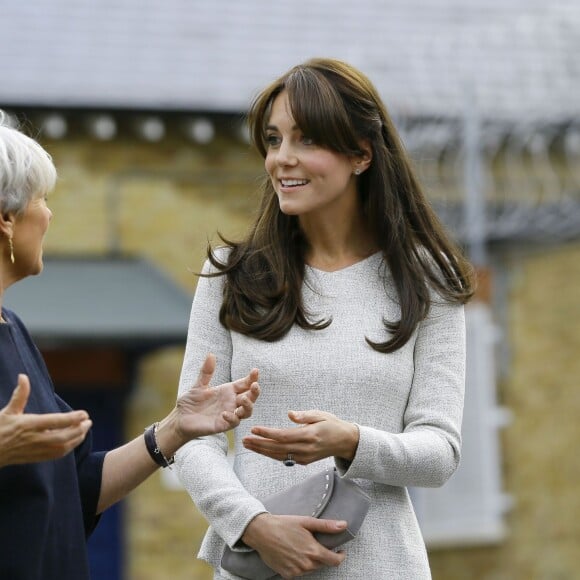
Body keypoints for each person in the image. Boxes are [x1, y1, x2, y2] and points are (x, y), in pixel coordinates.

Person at [175, 57, 475, 579]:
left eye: (305, 140)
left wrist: (351, 442)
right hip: (256, 565)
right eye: (273, 140)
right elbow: (192, 437)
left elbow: (440, 451)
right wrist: (253, 524)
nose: (282, 160)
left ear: (361, 154)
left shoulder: (428, 280)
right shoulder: (230, 274)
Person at [0, 113, 262, 580]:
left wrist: (176, 429)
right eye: (42, 199)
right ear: (5, 220)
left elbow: (79, 486)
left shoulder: (14, 330)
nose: (49, 214)